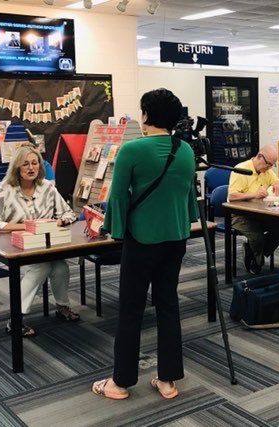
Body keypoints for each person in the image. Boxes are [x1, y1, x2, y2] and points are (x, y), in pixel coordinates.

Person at [91, 88, 198, 401]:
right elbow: (188, 194)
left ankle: (120, 383)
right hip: (176, 238)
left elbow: (118, 196)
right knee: (168, 306)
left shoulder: (132, 150)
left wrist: (114, 230)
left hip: (141, 240)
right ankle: (167, 380)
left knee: (131, 309)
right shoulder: (186, 150)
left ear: (147, 115)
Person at [0, 145, 79, 338]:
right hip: (4, 249)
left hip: (39, 248)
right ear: (17, 167)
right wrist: (31, 226)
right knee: (41, 267)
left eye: (34, 163)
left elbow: (69, 212)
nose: (31, 168)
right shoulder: (5, 189)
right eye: (25, 164)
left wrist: (61, 220)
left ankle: (62, 307)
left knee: (60, 266)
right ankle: (15, 320)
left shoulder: (47, 188)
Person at [228, 145, 279, 274]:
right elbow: (232, 196)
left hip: (259, 214)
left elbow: (276, 180)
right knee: (257, 236)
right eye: (268, 164)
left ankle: (254, 251)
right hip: (239, 215)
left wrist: (278, 182)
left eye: (272, 165)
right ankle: (256, 260)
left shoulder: (266, 171)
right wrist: (254, 194)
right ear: (259, 156)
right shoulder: (241, 169)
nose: (269, 168)